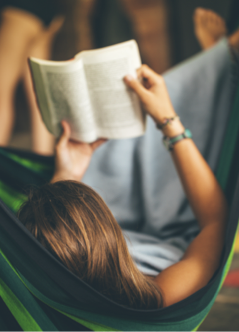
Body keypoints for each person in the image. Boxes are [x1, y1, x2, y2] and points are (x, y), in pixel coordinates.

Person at [17, 57, 230, 308]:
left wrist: (67, 173)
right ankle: (223, 60)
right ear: (114, 241)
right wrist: (168, 120)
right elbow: (215, 222)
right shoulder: (159, 297)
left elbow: (54, 254)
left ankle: (221, 59)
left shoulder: (29, 291)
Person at [0, 0, 64, 154]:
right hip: (45, 6)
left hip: (19, 8)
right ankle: (44, 166)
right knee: (39, 96)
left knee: (1, 94)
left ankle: (2, 172)